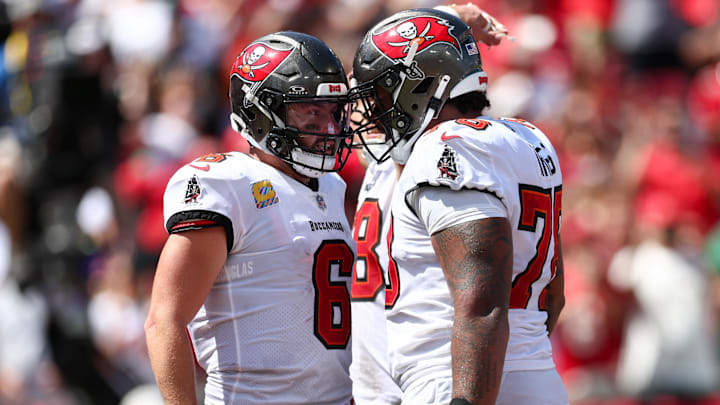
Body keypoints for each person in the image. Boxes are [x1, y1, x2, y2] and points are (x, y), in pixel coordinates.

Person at [350, 8, 567, 405]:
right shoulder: (527, 137)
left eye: (382, 94)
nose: (373, 110)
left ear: (417, 91)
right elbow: (553, 296)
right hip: (535, 376)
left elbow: (481, 306)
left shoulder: (444, 148)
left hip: (454, 381)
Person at [144, 32, 356, 404]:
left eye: (334, 111)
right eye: (311, 111)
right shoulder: (227, 184)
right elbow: (165, 319)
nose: (329, 127)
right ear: (261, 112)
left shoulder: (333, 187)